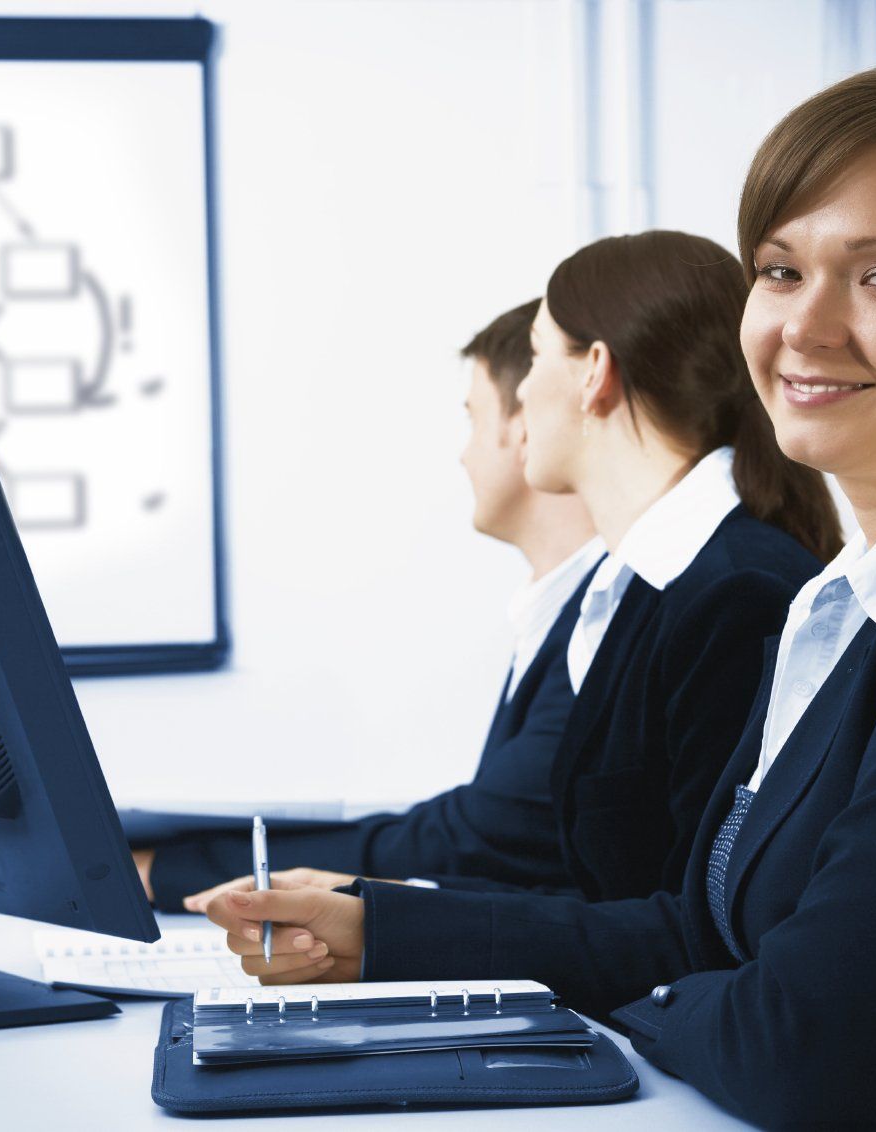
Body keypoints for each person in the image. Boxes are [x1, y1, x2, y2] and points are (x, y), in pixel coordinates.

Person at [207, 62, 876, 1127]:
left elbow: (805, 1041)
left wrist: (657, 1007)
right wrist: (381, 932)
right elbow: (706, 932)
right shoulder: (861, 599)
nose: (804, 327)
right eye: (779, 269)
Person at [202, 226, 836, 920]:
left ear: (594, 371)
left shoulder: (732, 592)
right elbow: (594, 890)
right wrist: (368, 906)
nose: (523, 400)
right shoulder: (640, 588)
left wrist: (385, 923)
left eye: (534, 359)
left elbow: (692, 932)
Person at [135, 299, 603, 910]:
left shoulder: (615, 615)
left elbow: (478, 837)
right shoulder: (561, 609)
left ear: (527, 425)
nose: (463, 455)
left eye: (472, 419)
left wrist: (169, 872)